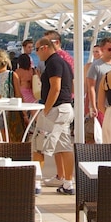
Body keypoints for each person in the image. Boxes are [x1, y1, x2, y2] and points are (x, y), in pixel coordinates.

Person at [33, 37, 76, 194]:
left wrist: (46, 110)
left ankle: (36, 182)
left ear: (44, 48)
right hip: (65, 108)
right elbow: (71, 85)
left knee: (39, 145)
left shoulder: (53, 62)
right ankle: (68, 183)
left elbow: (55, 87)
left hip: (55, 109)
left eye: (36, 50)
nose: (36, 54)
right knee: (64, 147)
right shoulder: (64, 62)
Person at [86, 38, 111, 124]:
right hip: (100, 106)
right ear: (103, 50)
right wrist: (93, 106)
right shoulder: (95, 66)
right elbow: (91, 87)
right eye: (110, 49)